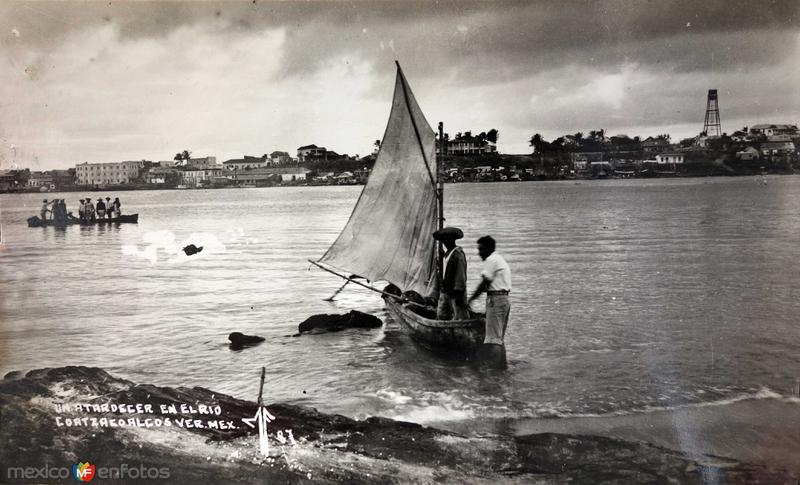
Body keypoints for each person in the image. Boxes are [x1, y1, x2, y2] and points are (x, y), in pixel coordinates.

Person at [468, 235, 512, 368]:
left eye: (481, 249)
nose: (479, 253)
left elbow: (484, 282)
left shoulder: (491, 259)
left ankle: (493, 371)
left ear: (488, 248)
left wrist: (471, 299)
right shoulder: (499, 259)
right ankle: (502, 366)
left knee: (493, 339)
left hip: (496, 299)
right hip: (504, 299)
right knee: (498, 338)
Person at [432, 226, 469, 320]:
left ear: (453, 240)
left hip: (456, 292)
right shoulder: (447, 253)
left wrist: (458, 291)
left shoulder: (458, 254)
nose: (445, 242)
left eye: (447, 239)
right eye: (443, 240)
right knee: (441, 315)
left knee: (460, 317)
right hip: (446, 290)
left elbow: (460, 275)